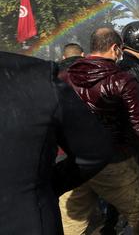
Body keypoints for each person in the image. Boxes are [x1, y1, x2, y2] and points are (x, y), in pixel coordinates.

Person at [58, 28, 139, 235]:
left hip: (74, 162)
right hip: (114, 161)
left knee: (71, 222)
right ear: (115, 48)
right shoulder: (122, 80)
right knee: (138, 212)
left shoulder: (64, 76)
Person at [0, 52, 112, 234]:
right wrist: (44, 184)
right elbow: (96, 150)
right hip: (33, 220)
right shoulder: (37, 76)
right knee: (136, 207)